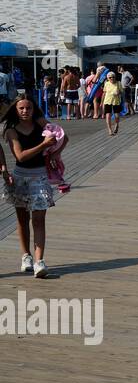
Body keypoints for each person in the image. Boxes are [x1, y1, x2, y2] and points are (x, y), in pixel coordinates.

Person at [3, 94, 63, 278]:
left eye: (28, 108)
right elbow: (20, 156)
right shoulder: (11, 131)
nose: (25, 111)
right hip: (20, 178)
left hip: (40, 177)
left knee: (38, 219)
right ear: (15, 110)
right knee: (22, 219)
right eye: (21, 108)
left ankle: (39, 261)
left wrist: (55, 153)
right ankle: (26, 256)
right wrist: (43, 145)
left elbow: (63, 136)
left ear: (33, 108)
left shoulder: (41, 125)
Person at [101, 70, 123, 135]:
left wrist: (118, 92)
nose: (112, 78)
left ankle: (117, 124)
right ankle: (110, 130)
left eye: (113, 77)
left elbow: (122, 91)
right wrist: (101, 102)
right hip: (107, 101)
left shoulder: (118, 83)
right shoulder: (106, 83)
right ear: (108, 78)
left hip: (116, 101)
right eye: (110, 77)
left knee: (117, 116)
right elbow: (104, 93)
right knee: (108, 115)